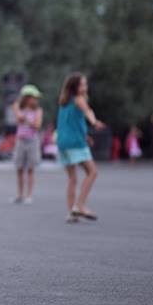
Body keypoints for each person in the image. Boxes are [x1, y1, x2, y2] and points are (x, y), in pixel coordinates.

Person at [56, 72, 106, 223]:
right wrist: (94, 122)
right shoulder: (79, 99)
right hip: (75, 143)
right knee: (92, 172)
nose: (86, 87)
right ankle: (80, 206)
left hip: (63, 143)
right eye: (83, 84)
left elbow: (71, 124)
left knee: (72, 178)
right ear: (75, 87)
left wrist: (85, 135)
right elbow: (87, 111)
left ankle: (71, 213)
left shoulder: (64, 103)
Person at [10, 84, 43, 204]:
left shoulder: (38, 111)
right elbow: (18, 117)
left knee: (30, 169)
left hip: (32, 141)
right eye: (34, 97)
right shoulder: (18, 107)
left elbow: (37, 125)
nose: (36, 100)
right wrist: (22, 116)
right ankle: (20, 194)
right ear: (27, 98)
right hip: (20, 140)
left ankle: (29, 195)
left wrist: (27, 120)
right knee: (19, 168)